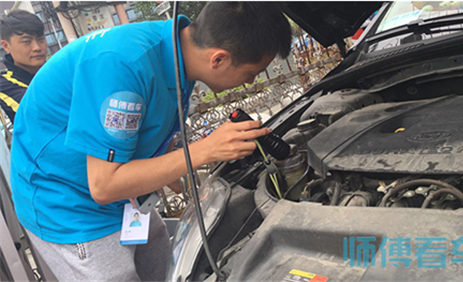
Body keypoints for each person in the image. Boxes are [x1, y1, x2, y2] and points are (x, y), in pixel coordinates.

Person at [11, 2, 291, 281]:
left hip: (123, 194)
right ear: (218, 59)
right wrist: (203, 150)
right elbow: (104, 186)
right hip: (69, 204)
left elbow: (144, 123)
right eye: (250, 74)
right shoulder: (126, 67)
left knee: (168, 270)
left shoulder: (179, 51)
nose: (248, 83)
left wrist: (175, 163)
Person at [0, 10, 47, 124]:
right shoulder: (4, 83)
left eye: (41, 39)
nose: (37, 47)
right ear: (6, 46)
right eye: (27, 41)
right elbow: (42, 109)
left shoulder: (58, 71)